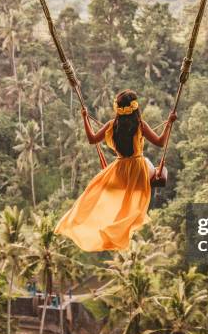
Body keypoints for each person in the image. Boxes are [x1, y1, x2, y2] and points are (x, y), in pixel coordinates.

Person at [55, 89, 177, 252]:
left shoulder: (112, 125)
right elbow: (161, 142)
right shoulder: (140, 124)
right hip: (139, 171)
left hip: (119, 171)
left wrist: (85, 118)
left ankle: (80, 223)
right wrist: (169, 123)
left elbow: (92, 139)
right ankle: (116, 228)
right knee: (156, 170)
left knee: (94, 191)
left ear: (117, 108)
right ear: (135, 108)